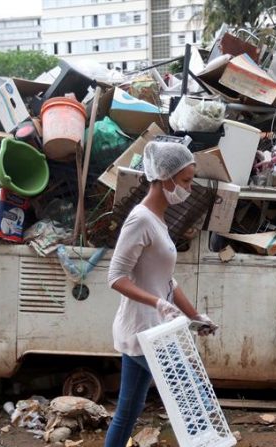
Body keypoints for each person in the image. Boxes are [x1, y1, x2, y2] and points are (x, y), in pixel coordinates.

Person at [105, 141, 217, 447]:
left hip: (153, 331)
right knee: (195, 404)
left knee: (129, 411)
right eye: (185, 181)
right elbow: (115, 277)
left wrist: (194, 316)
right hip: (145, 333)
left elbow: (167, 281)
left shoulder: (158, 221)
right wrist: (157, 303)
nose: (189, 189)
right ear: (164, 178)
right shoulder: (140, 219)